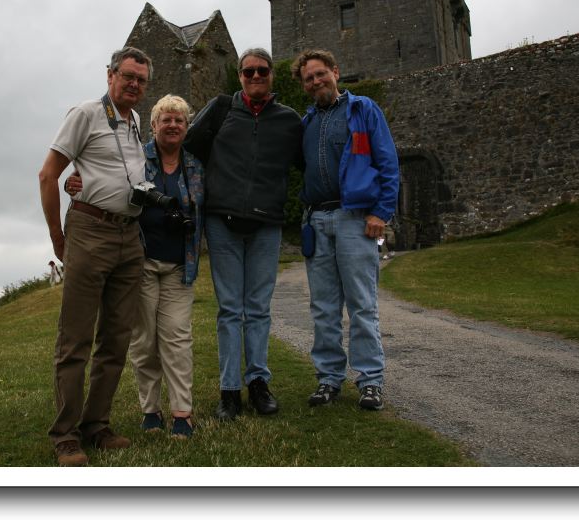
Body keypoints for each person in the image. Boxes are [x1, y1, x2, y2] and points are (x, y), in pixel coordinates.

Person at [37, 46, 152, 467]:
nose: (134, 84)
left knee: (117, 338)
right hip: (89, 231)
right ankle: (65, 435)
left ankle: (96, 425)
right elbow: (49, 174)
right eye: (128, 76)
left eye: (141, 79)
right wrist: (58, 238)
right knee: (76, 340)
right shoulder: (85, 114)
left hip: (129, 236)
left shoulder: (136, 121)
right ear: (110, 75)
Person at [66, 94, 205, 439]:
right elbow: (103, 176)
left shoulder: (196, 166)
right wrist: (75, 181)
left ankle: (182, 412)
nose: (172, 125)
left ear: (187, 127)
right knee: (144, 340)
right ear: (153, 125)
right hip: (139, 260)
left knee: (177, 337)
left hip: (179, 265)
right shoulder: (135, 158)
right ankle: (150, 410)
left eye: (179, 120)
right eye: (165, 120)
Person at [183, 47, 303, 421]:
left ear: (272, 75)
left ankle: (258, 384)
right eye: (248, 71)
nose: (255, 77)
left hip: (267, 224)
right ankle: (230, 391)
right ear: (239, 76)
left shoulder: (288, 120)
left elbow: (310, 162)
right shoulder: (220, 110)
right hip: (223, 223)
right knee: (230, 309)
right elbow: (185, 148)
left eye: (262, 71)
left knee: (258, 309)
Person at [291, 48, 399, 411]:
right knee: (323, 308)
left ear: (336, 72)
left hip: (356, 219)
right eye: (309, 78)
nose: (317, 81)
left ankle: (370, 381)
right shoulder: (305, 124)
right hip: (317, 220)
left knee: (362, 305)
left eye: (321, 74)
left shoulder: (363, 110)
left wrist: (380, 212)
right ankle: (329, 379)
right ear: (304, 85)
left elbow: (387, 162)